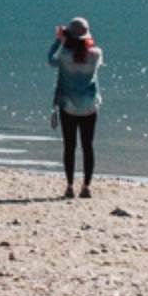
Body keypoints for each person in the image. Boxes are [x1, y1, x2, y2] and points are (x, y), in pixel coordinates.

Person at [48, 16, 103, 199]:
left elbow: (50, 60)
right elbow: (87, 53)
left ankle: (70, 186)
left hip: (68, 106)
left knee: (69, 146)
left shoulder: (64, 55)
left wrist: (59, 40)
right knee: (88, 146)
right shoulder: (96, 54)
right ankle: (86, 187)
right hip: (89, 107)